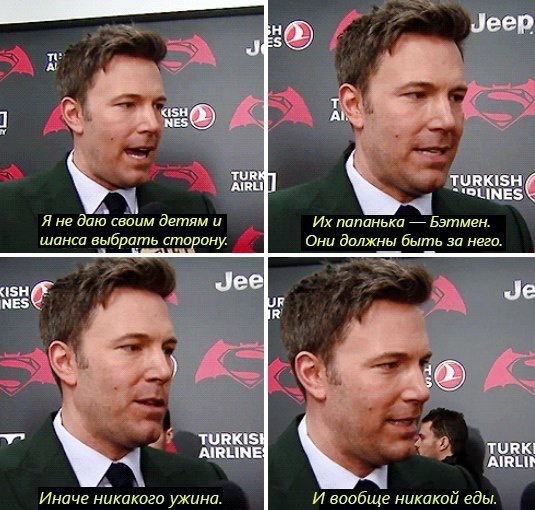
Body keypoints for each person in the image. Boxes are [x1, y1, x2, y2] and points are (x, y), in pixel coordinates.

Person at [268, 0, 533, 253]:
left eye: (455, 97)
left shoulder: (504, 228)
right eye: (417, 95)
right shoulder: (277, 225)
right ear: (354, 105)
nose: (447, 120)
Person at [0, 258, 226, 508]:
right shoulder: (7, 484)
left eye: (167, 350)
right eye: (132, 347)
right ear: (65, 362)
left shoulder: (204, 482)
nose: (163, 371)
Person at [269, 259, 477, 510]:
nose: (422, 391)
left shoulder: (453, 486)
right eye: (389, 365)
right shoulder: (259, 493)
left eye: (422, 364)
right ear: (313, 374)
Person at [0, 25, 216, 253]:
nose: (152, 124)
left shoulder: (195, 212)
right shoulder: (8, 211)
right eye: (127, 105)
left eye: (158, 106)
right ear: (75, 115)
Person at [416, 408, 503, 509]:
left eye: (422, 438)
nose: (416, 444)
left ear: (443, 443)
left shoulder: (435, 482)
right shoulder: (482, 485)